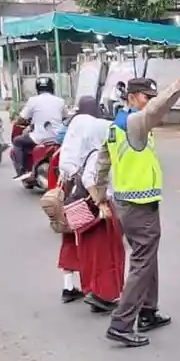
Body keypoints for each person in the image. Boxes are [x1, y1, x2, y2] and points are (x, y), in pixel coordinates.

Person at [89, 53, 180, 348]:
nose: (149, 101)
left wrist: (101, 198)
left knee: (146, 256)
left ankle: (148, 311)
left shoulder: (115, 127)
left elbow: (102, 164)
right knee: (142, 261)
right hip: (138, 207)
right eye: (145, 96)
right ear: (133, 97)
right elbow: (156, 109)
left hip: (127, 204)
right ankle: (122, 323)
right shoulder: (135, 123)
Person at [61, 96, 126, 313]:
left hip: (74, 197)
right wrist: (101, 204)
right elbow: (90, 179)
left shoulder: (80, 133)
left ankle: (93, 291)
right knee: (106, 254)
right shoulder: (99, 153)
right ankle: (103, 294)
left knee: (92, 252)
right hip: (95, 208)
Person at [54, 96, 113, 304]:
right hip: (89, 190)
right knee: (96, 242)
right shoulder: (97, 126)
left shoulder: (72, 126)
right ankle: (96, 289)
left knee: (70, 236)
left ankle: (68, 286)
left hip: (70, 189)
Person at [12, 76, 67, 181]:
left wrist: (19, 121)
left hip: (39, 137)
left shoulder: (33, 101)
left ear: (37, 88)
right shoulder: (60, 101)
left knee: (17, 141)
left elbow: (21, 118)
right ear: (52, 87)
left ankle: (22, 171)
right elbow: (66, 116)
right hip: (57, 137)